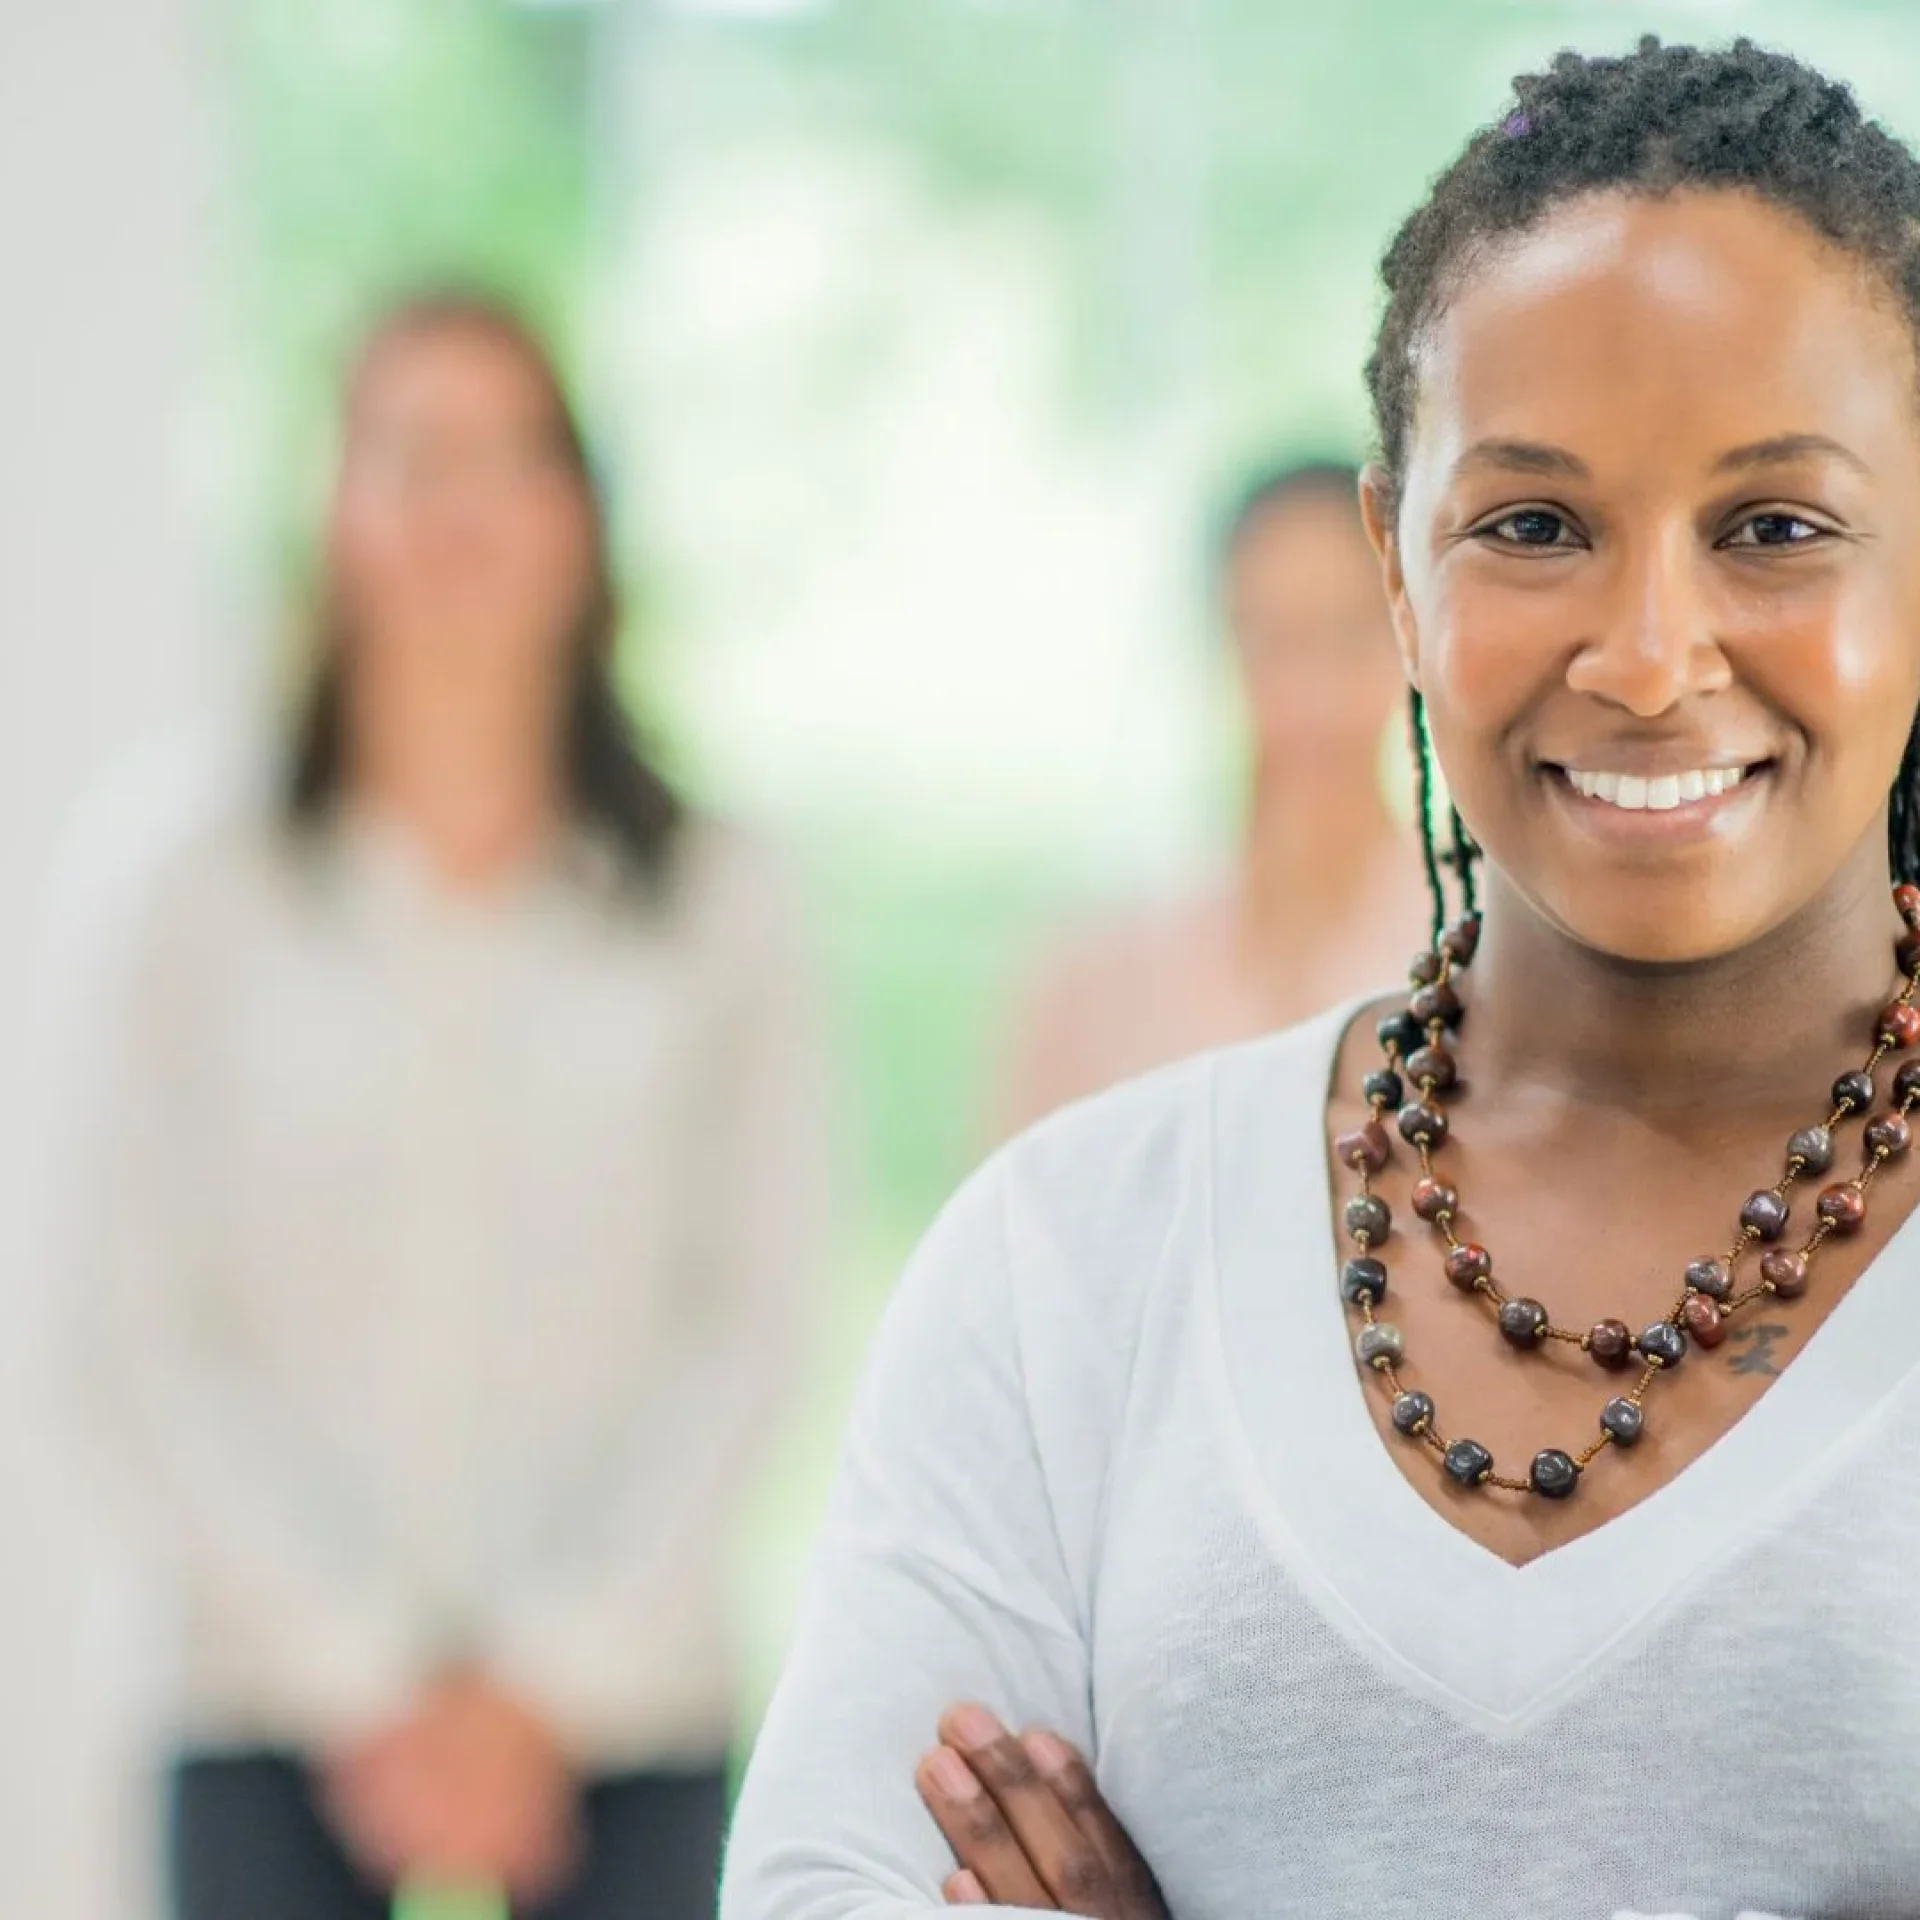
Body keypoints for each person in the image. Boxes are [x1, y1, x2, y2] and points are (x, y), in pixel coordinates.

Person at [719, 37, 1920, 1920]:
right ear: (1393, 560)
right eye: (1532, 525)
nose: (1648, 653)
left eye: (1775, 528)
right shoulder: (1076, 1259)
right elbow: (827, 1883)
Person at [42, 293, 827, 1919]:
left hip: (628, 1719)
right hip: (261, 1709)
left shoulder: (718, 901)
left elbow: (750, 1321)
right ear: (332, 511)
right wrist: (366, 1681)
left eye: (507, 455)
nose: (459, 507)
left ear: (582, 516)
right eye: (411, 455)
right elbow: (124, 1326)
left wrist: (544, 1681)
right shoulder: (178, 889)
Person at [994, 461, 1427, 1135]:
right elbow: (1019, 1225)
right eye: (1275, 641)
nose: (1314, 698)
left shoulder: (1487, 953)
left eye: (1350, 639)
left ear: (1411, 641)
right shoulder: (1097, 976)